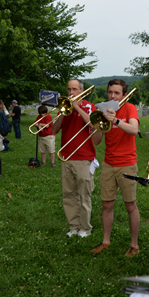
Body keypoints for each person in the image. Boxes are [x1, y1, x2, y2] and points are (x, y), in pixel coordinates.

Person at [90, 78, 141, 257]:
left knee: (130, 206)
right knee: (106, 204)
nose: (112, 95)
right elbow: (96, 141)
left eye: (117, 93)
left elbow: (134, 130)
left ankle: (134, 245)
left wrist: (116, 120)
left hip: (127, 163)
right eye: (110, 92)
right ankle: (106, 241)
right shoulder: (103, 109)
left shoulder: (130, 108)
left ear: (123, 95)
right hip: (108, 164)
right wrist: (97, 125)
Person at [53, 79, 99, 238]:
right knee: (69, 194)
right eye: (69, 90)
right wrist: (62, 113)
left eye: (74, 89)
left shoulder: (89, 107)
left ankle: (85, 228)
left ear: (81, 91)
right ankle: (74, 226)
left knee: (84, 195)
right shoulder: (64, 108)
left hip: (84, 158)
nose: (71, 93)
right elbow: (54, 130)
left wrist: (77, 107)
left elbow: (93, 125)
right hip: (66, 157)